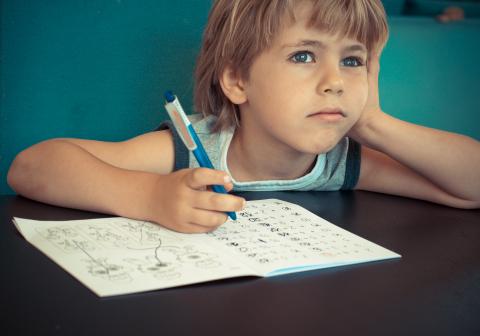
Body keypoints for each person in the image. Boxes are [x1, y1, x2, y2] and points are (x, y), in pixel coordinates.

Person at [7, 0, 480, 234]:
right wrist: (148, 195)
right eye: (303, 56)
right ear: (237, 81)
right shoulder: (192, 148)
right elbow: (32, 166)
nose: (335, 80)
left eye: (353, 61)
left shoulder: (345, 160)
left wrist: (372, 122)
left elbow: (470, 187)